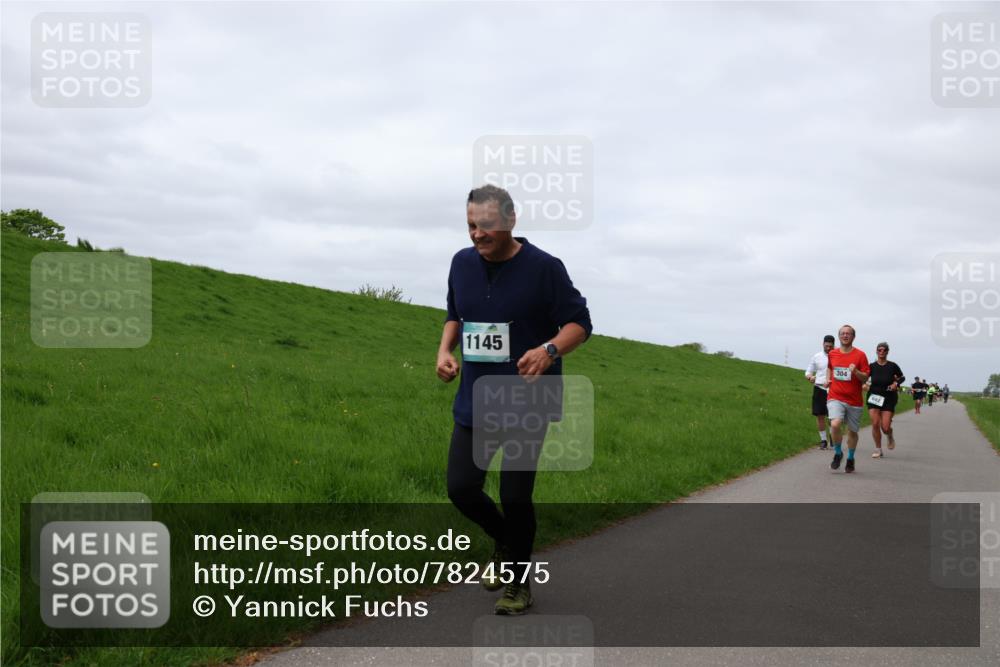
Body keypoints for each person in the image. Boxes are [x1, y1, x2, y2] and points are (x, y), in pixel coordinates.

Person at [436, 184, 592, 615]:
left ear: (509, 220)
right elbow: (455, 314)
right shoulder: (461, 264)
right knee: (461, 488)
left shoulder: (545, 268)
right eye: (470, 225)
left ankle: (518, 585)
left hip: (527, 401)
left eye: (485, 225)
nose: (477, 234)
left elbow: (580, 323)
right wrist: (444, 351)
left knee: (515, 495)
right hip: (477, 397)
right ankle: (507, 543)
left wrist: (549, 350)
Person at [825, 324, 870, 473]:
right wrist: (828, 379)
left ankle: (850, 458)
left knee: (852, 432)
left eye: (848, 334)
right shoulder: (833, 354)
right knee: (835, 424)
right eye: (842, 333)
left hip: (854, 400)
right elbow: (830, 368)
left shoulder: (860, 355)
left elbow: (865, 377)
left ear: (853, 337)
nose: (845, 336)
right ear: (839, 336)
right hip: (835, 396)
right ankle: (838, 453)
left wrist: (856, 371)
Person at [866, 342, 904, 459]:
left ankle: (889, 434)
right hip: (874, 397)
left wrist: (896, 383)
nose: (881, 352)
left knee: (885, 427)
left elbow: (902, 377)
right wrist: (864, 384)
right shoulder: (871, 366)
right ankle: (878, 449)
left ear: (887, 352)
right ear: (876, 351)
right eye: (879, 350)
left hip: (888, 397)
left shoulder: (893, 366)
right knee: (875, 424)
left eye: (884, 350)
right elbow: (864, 377)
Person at [805, 335, 836, 449]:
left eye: (830, 346)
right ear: (823, 344)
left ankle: (833, 437)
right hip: (819, 388)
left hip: (833, 389)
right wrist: (810, 377)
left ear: (834, 345)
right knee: (820, 415)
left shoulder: (838, 355)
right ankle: (823, 440)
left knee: (832, 416)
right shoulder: (817, 356)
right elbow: (808, 371)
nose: (828, 348)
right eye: (826, 346)